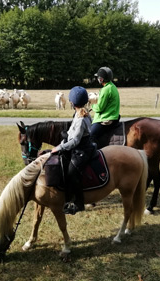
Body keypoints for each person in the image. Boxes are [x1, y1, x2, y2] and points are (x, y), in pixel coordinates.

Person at [51, 86, 95, 215]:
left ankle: (79, 203)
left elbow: (75, 141)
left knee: (71, 172)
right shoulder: (79, 113)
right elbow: (71, 133)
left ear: (71, 102)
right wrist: (64, 140)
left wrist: (59, 147)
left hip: (82, 149)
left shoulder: (81, 118)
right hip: (78, 147)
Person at [90, 66, 120, 144]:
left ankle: (94, 154)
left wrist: (92, 106)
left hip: (106, 119)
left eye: (98, 77)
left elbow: (99, 108)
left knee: (89, 136)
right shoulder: (112, 86)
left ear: (101, 79)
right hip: (113, 116)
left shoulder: (105, 90)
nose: (97, 79)